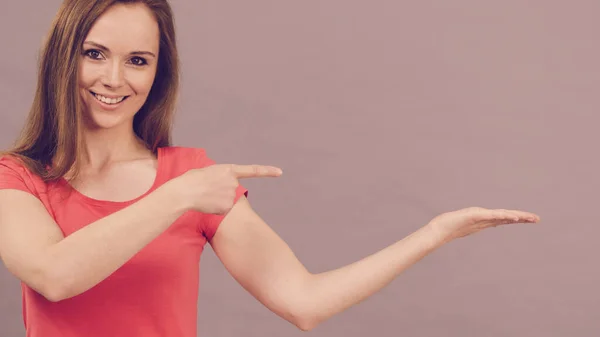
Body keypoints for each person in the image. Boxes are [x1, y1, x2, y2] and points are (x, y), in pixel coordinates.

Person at [0, 0, 540, 336]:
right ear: (63, 55)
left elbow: (304, 303)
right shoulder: (17, 177)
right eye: (95, 53)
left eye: (138, 60)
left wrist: (433, 233)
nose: (114, 77)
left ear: (158, 74)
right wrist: (177, 196)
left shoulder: (192, 175)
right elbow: (55, 276)